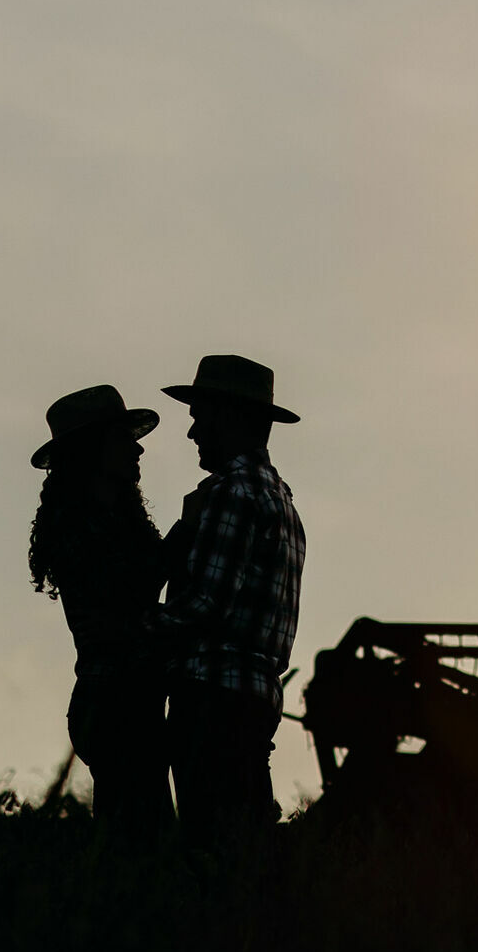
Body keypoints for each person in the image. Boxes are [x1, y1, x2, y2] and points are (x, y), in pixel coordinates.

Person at [151, 354, 306, 850]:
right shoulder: (282, 500)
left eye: (200, 417)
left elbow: (206, 606)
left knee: (210, 845)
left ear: (230, 417)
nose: (193, 432)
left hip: (211, 696)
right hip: (256, 697)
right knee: (245, 840)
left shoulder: (230, 492)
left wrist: (135, 627)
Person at [28, 385, 173, 835]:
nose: (136, 447)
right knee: (139, 838)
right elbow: (127, 605)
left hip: (123, 698)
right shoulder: (81, 533)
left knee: (136, 837)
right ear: (94, 450)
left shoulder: (103, 523)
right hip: (115, 700)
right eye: (121, 439)